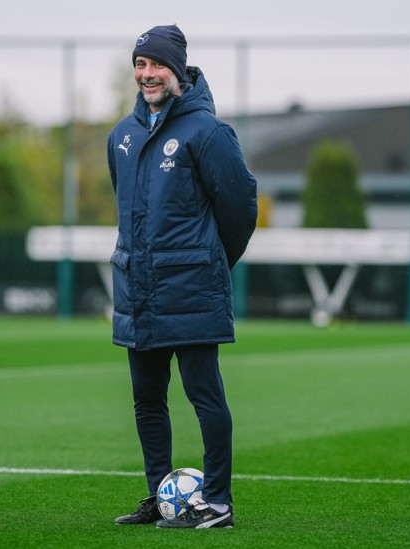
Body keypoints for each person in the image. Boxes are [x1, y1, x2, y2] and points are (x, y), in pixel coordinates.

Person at [108, 24, 258, 529]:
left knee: (204, 396)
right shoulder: (121, 136)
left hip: (191, 291)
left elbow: (240, 209)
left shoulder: (208, 133)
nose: (147, 74)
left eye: (157, 65)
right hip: (140, 292)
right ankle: (160, 495)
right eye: (141, 64)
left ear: (178, 71)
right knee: (147, 400)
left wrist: (209, 262)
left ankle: (217, 502)